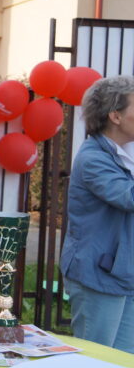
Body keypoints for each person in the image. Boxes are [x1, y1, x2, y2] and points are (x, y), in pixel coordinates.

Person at [61, 76, 134, 353]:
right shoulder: (93, 158)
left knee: (125, 363)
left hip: (125, 273)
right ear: (115, 116)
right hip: (99, 275)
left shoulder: (127, 152)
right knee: (96, 360)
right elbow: (128, 197)